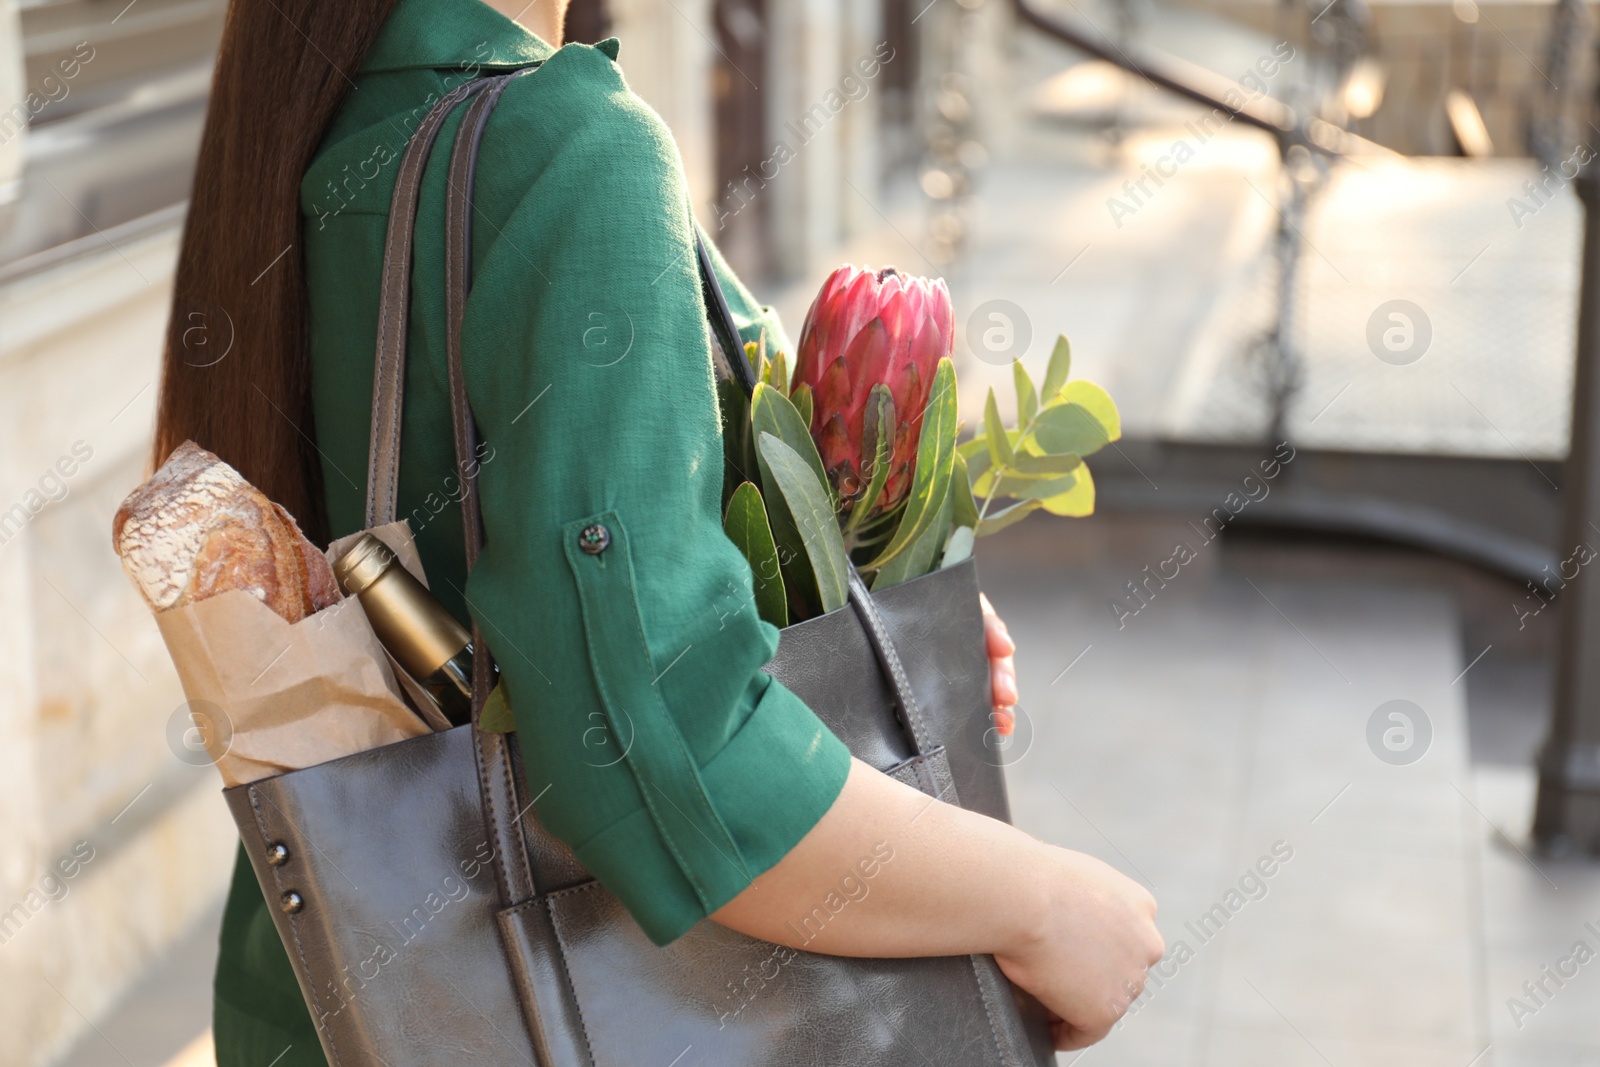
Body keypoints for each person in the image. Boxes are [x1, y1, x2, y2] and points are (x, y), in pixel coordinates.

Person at [151, 0, 1164, 1061]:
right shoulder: (565, 148)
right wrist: (1043, 901)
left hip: (338, 999)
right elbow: (663, 747)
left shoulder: (323, 123)